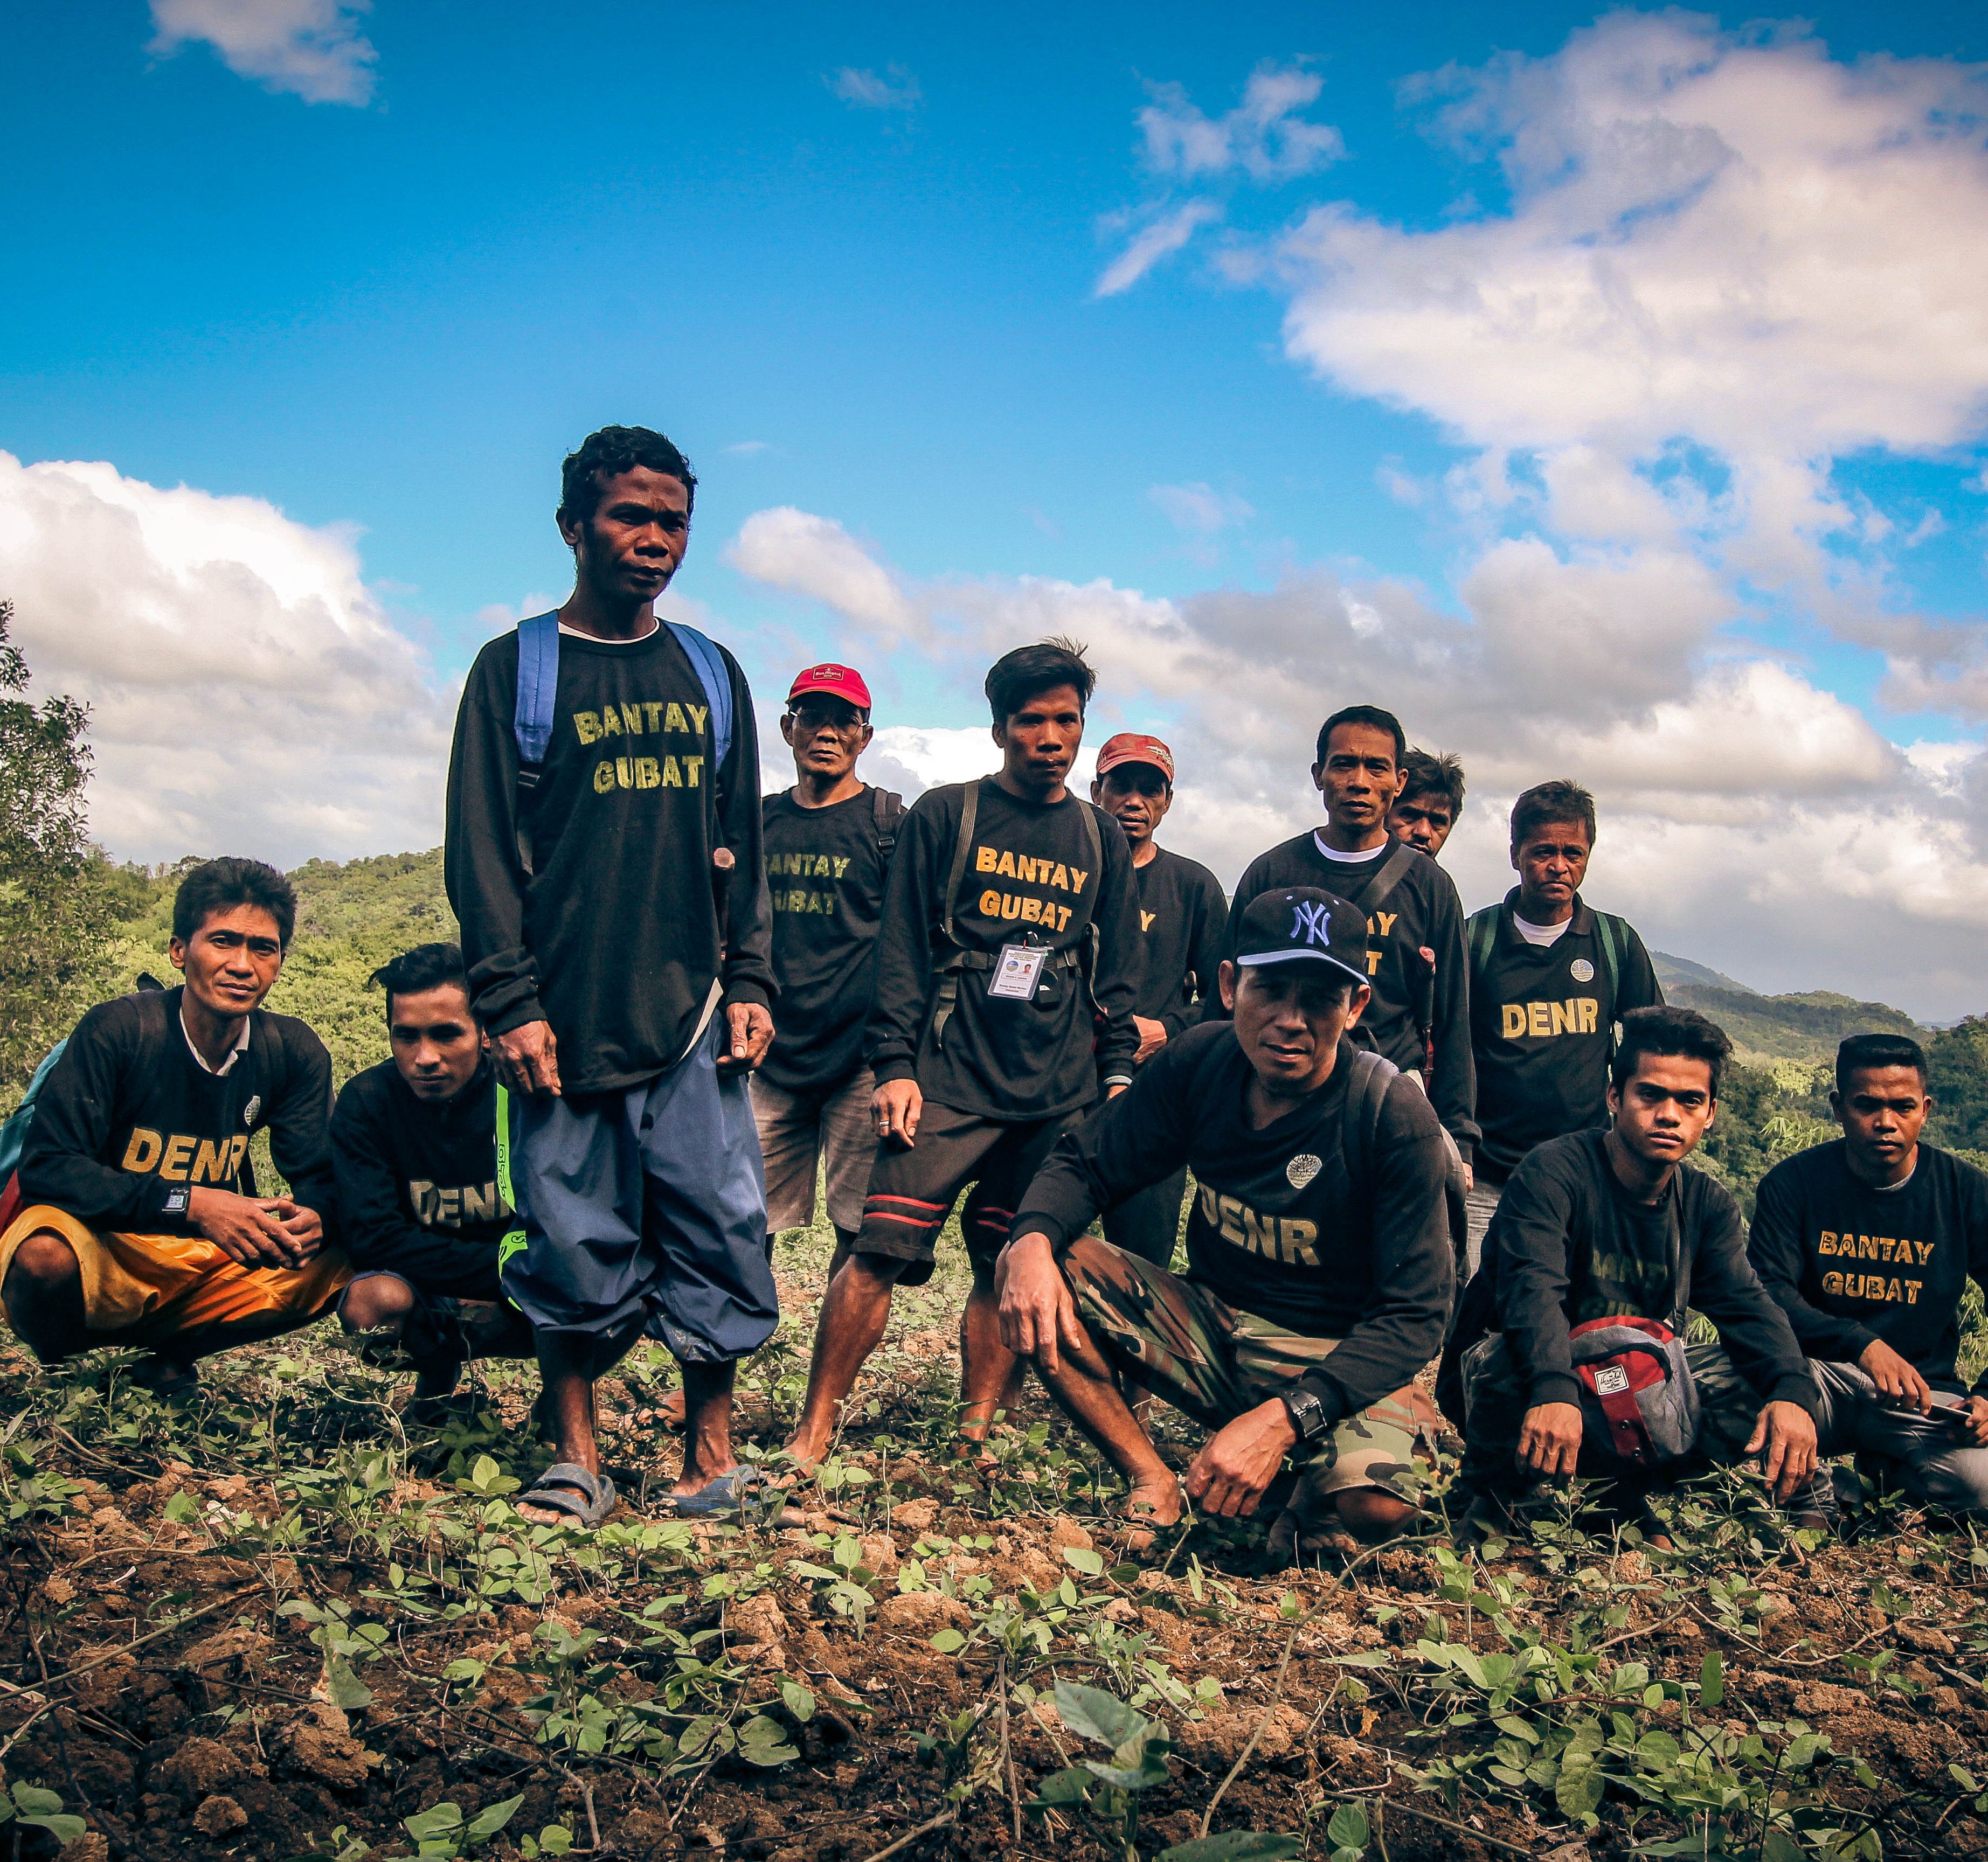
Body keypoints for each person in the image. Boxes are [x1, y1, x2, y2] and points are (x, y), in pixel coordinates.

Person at [446, 423, 779, 1529]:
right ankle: (574, 1457)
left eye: (672, 522)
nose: (654, 541)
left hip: (691, 1014)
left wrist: (751, 982)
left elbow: (742, 852)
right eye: (631, 517)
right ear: (572, 525)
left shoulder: (709, 673)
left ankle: (708, 1457)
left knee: (719, 1230)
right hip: (564, 1018)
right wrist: (510, 1003)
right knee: (570, 1239)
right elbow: (483, 854)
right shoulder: (518, 670)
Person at [995, 887, 1453, 1559]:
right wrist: (1029, 1240)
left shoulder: (1389, 1114)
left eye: (1320, 999)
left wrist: (1282, 1421)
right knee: (1048, 1265)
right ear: (1230, 984)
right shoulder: (1199, 1064)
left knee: (1375, 1507)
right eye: (1270, 989)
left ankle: (1301, 1490)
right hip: (1214, 1328)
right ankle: (1148, 1474)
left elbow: (1415, 1317)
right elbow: (1084, 1165)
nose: (1290, 1021)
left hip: (1332, 1352)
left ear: (1355, 1007)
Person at [784, 637, 1140, 1471]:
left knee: (1003, 1256)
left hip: (1052, 1091)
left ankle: (978, 1431)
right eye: (1031, 721)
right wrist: (895, 1067)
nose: (1050, 738)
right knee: (877, 1251)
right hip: (945, 1078)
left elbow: (1115, 977)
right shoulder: (948, 815)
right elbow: (901, 950)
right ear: (998, 729)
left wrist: (1115, 1080)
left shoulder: (1098, 837)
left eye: (1066, 721)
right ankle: (814, 1430)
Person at [1446, 1006, 1819, 1529]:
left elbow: (1749, 1308)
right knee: (1509, 1362)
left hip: (1620, 1383)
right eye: (1650, 1095)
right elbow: (1531, 1292)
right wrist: (1552, 1388)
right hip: (1532, 1377)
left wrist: (1791, 1393)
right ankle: (1494, 1495)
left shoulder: (1704, 1206)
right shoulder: (1553, 1173)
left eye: (1689, 1101)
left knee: (1752, 1374)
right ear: (1614, 1097)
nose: (1668, 1114)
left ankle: (1639, 1497)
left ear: (1709, 1113)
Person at [0, 859, 345, 1398]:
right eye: (223, 941)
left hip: (199, 1261)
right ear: (180, 951)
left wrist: (316, 1216)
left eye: (263, 948)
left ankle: (172, 1354)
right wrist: (194, 1204)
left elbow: (321, 1172)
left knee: (338, 1259)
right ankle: (68, 1370)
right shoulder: (120, 1030)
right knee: (43, 1256)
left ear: (279, 962)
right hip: (101, 1241)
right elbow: (50, 1167)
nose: (242, 965)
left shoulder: (291, 1050)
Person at [1212, 705, 1478, 1171]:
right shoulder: (1271, 873)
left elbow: (1454, 1018)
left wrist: (1458, 1137)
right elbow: (1227, 1003)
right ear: (1318, 775)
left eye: (1375, 767)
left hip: (1384, 1096)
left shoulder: (1430, 887)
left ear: (1398, 781)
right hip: (1279, 1090)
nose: (1358, 781)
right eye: (1343, 764)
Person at [1749, 1033, 1988, 1522]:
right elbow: (1767, 1294)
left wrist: (1986, 1395)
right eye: (1867, 1106)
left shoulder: (1963, 1192)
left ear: (1925, 1109)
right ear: (1838, 1107)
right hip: (1813, 1378)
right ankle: (1812, 1490)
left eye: (1902, 1107)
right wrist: (1860, 1343)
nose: (1886, 1123)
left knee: (1980, 1491)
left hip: (1923, 1395)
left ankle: (1884, 1473)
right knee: (1713, 1388)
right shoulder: (1793, 1184)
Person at [1463, 780, 1663, 1277]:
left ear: (1588, 854)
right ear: (1515, 854)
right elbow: (1447, 1047)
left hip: (1586, 1174)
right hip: (1488, 1179)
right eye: (1543, 851)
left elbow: (1653, 1047)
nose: (1559, 865)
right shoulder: (1475, 939)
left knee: (1576, 1314)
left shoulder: (1614, 942)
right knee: (1480, 1312)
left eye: (1572, 852)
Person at [330, 943, 535, 1415]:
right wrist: (497, 1273)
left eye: (446, 1035)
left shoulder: (524, 1091)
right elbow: (371, 1239)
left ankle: (561, 1405)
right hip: (443, 1288)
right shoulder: (367, 1101)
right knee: (372, 1305)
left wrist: (518, 1278)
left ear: (484, 1033)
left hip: (529, 1287)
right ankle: (435, 1386)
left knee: (607, 1288)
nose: (425, 1057)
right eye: (407, 1037)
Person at [755, 662, 903, 1268]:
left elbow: (912, 945)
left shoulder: (889, 825)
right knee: (742, 1220)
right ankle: (729, 1347)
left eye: (845, 720)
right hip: (768, 1054)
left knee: (857, 1231)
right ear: (789, 727)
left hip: (859, 1060)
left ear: (864, 738)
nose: (827, 731)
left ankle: (830, 1366)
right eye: (813, 717)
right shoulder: (757, 822)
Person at [1089, 732, 1228, 1267]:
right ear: (1096, 790)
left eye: (1150, 790)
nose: (1133, 800)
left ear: (1167, 802)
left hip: (1154, 1098)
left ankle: (1127, 1354)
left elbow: (1225, 1001)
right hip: (1063, 1090)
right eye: (1120, 785)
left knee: (1138, 1262)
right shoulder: (1072, 870)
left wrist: (1168, 1029)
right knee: (1042, 1246)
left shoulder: (1192, 886)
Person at [1386, 748, 1465, 859]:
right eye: (1410, 816)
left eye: (1437, 822)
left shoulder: (1439, 877)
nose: (1424, 832)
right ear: (1383, 814)